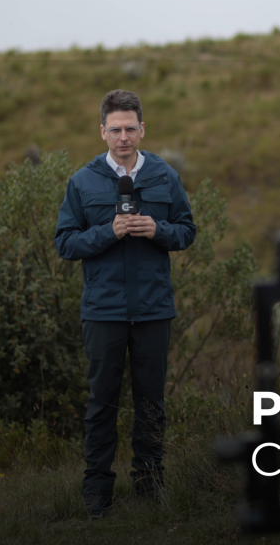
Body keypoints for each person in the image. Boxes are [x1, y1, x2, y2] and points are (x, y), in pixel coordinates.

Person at [54, 89, 197, 519]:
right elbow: (65, 243)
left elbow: (187, 231)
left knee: (151, 402)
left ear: (142, 129)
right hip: (104, 312)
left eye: (130, 129)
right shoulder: (82, 182)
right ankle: (97, 495)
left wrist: (158, 230)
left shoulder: (165, 176)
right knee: (102, 403)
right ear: (102, 132)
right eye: (115, 130)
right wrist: (109, 232)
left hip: (154, 310)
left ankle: (150, 488)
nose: (123, 137)